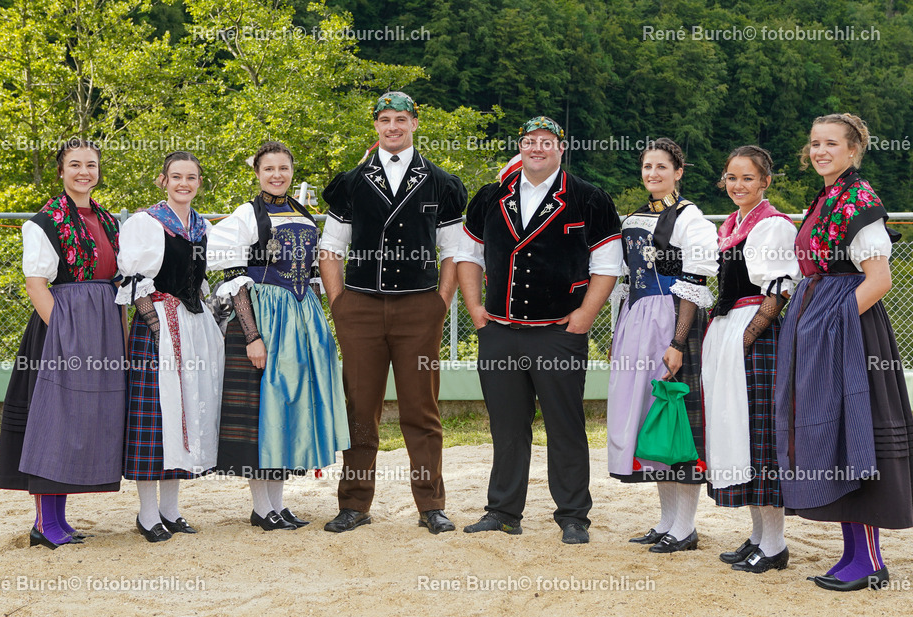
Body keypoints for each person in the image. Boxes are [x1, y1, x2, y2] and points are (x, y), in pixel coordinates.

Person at [456, 116, 621, 544]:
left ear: (561, 149)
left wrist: (583, 318)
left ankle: (572, 515)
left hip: (558, 332)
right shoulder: (491, 196)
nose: (537, 149)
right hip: (500, 331)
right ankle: (503, 511)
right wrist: (475, 310)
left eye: (546, 142)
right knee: (506, 426)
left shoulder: (589, 198)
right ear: (521, 146)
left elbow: (608, 265)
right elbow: (468, 256)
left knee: (564, 425)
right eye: (530, 142)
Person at [776, 113, 913, 591]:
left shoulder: (860, 200)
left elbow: (879, 281)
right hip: (821, 327)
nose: (820, 151)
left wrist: (832, 326)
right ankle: (852, 553)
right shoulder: (828, 197)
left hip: (851, 332)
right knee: (831, 438)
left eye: (831, 144)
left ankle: (872, 562)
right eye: (815, 143)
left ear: (853, 149)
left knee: (856, 437)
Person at [319, 91, 467, 534]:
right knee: (360, 409)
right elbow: (330, 248)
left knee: (421, 410)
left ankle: (431, 505)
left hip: (419, 307)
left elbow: (454, 252)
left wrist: (439, 303)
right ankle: (354, 504)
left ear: (415, 124)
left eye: (401, 119)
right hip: (359, 307)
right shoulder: (350, 182)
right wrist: (340, 304)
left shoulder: (442, 183)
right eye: (385, 120)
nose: (393, 127)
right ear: (377, 126)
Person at [208, 141, 350, 530]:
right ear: (257, 173)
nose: (277, 175)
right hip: (265, 318)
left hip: (300, 319)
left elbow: (312, 272)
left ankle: (278, 503)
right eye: (269, 169)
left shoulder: (302, 212)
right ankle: (261, 507)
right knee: (263, 411)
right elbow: (234, 279)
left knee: (286, 408)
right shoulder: (246, 215)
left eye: (283, 168)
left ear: (291, 171)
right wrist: (252, 335)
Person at [0, 139, 126, 549]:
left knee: (83, 422)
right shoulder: (43, 222)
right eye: (74, 164)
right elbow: (36, 284)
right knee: (55, 422)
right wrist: (65, 335)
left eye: (91, 164)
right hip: (63, 326)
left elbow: (118, 282)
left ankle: (60, 520)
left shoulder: (108, 220)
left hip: (104, 322)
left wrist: (119, 336)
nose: (83, 172)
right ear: (61, 171)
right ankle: (44, 523)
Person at [607, 138, 718, 553]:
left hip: (674, 321)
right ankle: (666, 520)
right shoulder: (635, 216)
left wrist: (677, 340)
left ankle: (685, 526)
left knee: (675, 418)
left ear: (678, 171)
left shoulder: (691, 219)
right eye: (647, 166)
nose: (653, 174)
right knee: (649, 419)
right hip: (637, 321)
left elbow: (695, 285)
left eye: (662, 167)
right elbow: (625, 278)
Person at [116, 151, 225, 543]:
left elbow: (199, 282)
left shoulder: (201, 226)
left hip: (192, 325)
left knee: (183, 414)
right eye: (176, 176)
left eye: (191, 177)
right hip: (158, 326)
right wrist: (155, 327)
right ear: (163, 180)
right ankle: (147, 514)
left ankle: (171, 509)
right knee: (153, 417)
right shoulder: (146, 222)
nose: (184, 183)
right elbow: (132, 279)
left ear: (199, 182)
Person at [701, 146, 800, 572]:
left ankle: (775, 544)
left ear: (766, 182)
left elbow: (779, 289)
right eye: (731, 178)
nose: (738, 185)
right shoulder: (733, 224)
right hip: (733, 331)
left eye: (747, 178)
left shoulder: (773, 226)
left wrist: (749, 334)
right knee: (737, 433)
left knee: (760, 435)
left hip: (756, 335)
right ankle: (759, 535)